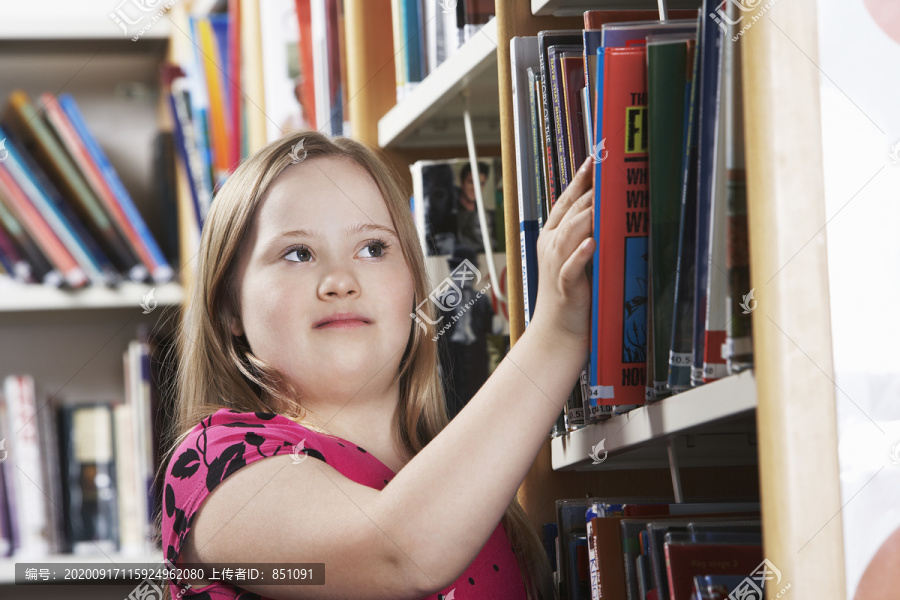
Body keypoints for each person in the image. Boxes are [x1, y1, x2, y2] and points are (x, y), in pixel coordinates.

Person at [155, 130, 596, 600]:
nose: (340, 281)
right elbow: (396, 553)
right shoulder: (212, 464)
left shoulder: (466, 473)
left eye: (373, 248)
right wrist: (558, 335)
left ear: (412, 281)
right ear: (229, 308)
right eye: (297, 254)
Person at [454, 161, 495, 253]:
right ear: (462, 182)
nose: (475, 188)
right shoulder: (451, 214)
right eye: (471, 182)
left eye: (481, 184)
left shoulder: (488, 214)